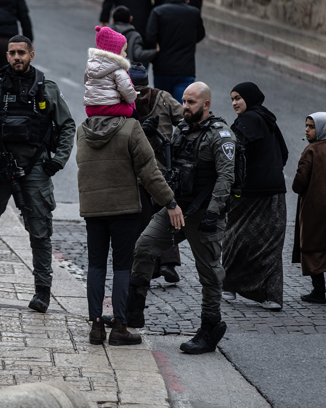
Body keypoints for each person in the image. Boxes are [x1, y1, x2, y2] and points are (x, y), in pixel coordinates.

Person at [0, 35, 76, 312]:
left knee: (39, 230)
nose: (16, 57)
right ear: (7, 56)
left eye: (21, 53)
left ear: (31, 55)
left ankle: (42, 291)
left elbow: (67, 126)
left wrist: (57, 161)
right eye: (12, 53)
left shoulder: (47, 89)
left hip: (35, 167)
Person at [127, 82, 236, 355]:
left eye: (191, 102)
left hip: (204, 215)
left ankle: (210, 328)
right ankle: (133, 312)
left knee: (210, 273)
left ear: (206, 104)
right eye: (184, 101)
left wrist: (213, 212)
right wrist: (152, 138)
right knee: (144, 246)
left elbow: (226, 177)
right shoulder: (182, 130)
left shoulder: (220, 135)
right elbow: (169, 165)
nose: (185, 107)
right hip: (176, 210)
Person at [77, 111, 179, 346]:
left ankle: (96, 327)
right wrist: (169, 202)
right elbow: (149, 171)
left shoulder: (83, 129)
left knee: (95, 266)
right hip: (123, 209)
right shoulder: (131, 127)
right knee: (122, 268)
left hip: (93, 208)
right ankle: (120, 327)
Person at [222, 82, 288, 311]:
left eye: (238, 98)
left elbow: (232, 151)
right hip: (274, 192)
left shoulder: (248, 119)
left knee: (235, 238)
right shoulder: (268, 120)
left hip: (249, 193)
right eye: (232, 99)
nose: (234, 103)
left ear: (249, 98)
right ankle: (272, 296)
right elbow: (284, 153)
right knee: (269, 245)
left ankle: (228, 286)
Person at [128, 63, 183, 283]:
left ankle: (148, 269)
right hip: (163, 169)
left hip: (136, 170)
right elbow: (185, 120)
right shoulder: (163, 98)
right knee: (165, 215)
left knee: (142, 221)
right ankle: (169, 264)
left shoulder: (125, 100)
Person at [291, 112, 326, 304]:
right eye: (306, 126)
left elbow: (300, 181)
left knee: (312, 245)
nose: (307, 130)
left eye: (312, 126)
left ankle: (318, 291)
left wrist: (297, 188)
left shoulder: (310, 151)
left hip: (314, 206)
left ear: (321, 129)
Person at [146, 0, 205, 103]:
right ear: (187, 0)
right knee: (182, 107)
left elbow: (150, 38)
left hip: (162, 68)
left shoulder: (158, 12)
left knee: (162, 106)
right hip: (185, 69)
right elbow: (200, 35)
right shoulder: (194, 13)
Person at [84, 26, 136, 118]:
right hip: (110, 107)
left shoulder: (91, 65)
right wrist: (133, 98)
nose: (125, 54)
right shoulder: (118, 68)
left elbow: (86, 82)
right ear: (116, 51)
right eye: (124, 51)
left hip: (90, 108)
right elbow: (126, 89)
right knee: (134, 114)